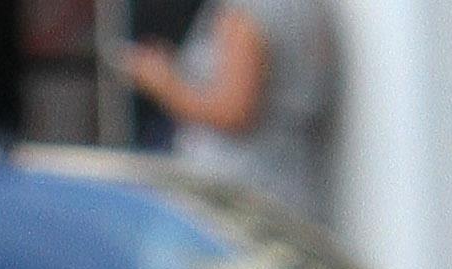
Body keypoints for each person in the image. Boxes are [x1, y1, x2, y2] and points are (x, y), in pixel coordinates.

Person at [118, 0, 339, 219]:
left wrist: (161, 80)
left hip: (235, 199)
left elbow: (234, 112)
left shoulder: (246, 11)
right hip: (290, 191)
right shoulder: (308, 9)